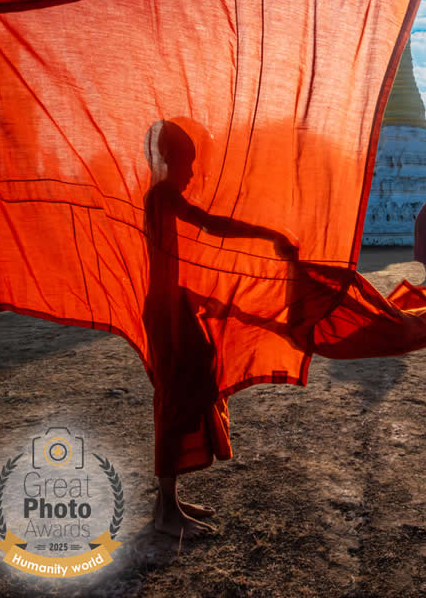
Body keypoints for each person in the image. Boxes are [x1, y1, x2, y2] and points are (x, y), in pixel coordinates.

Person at [142, 120, 297, 538]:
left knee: (185, 395)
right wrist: (272, 235)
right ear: (169, 161)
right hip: (166, 314)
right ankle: (167, 514)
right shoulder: (161, 196)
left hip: (172, 305)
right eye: (187, 164)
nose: (192, 174)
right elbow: (211, 225)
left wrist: (194, 298)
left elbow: (164, 267)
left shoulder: (161, 198)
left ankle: (167, 502)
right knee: (176, 403)